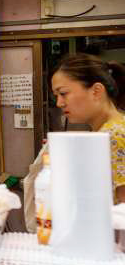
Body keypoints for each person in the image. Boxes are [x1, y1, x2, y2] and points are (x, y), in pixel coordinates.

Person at [51, 53, 125, 203]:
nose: (59, 103)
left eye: (63, 93)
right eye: (56, 96)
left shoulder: (113, 136)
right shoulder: (108, 130)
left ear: (96, 91)